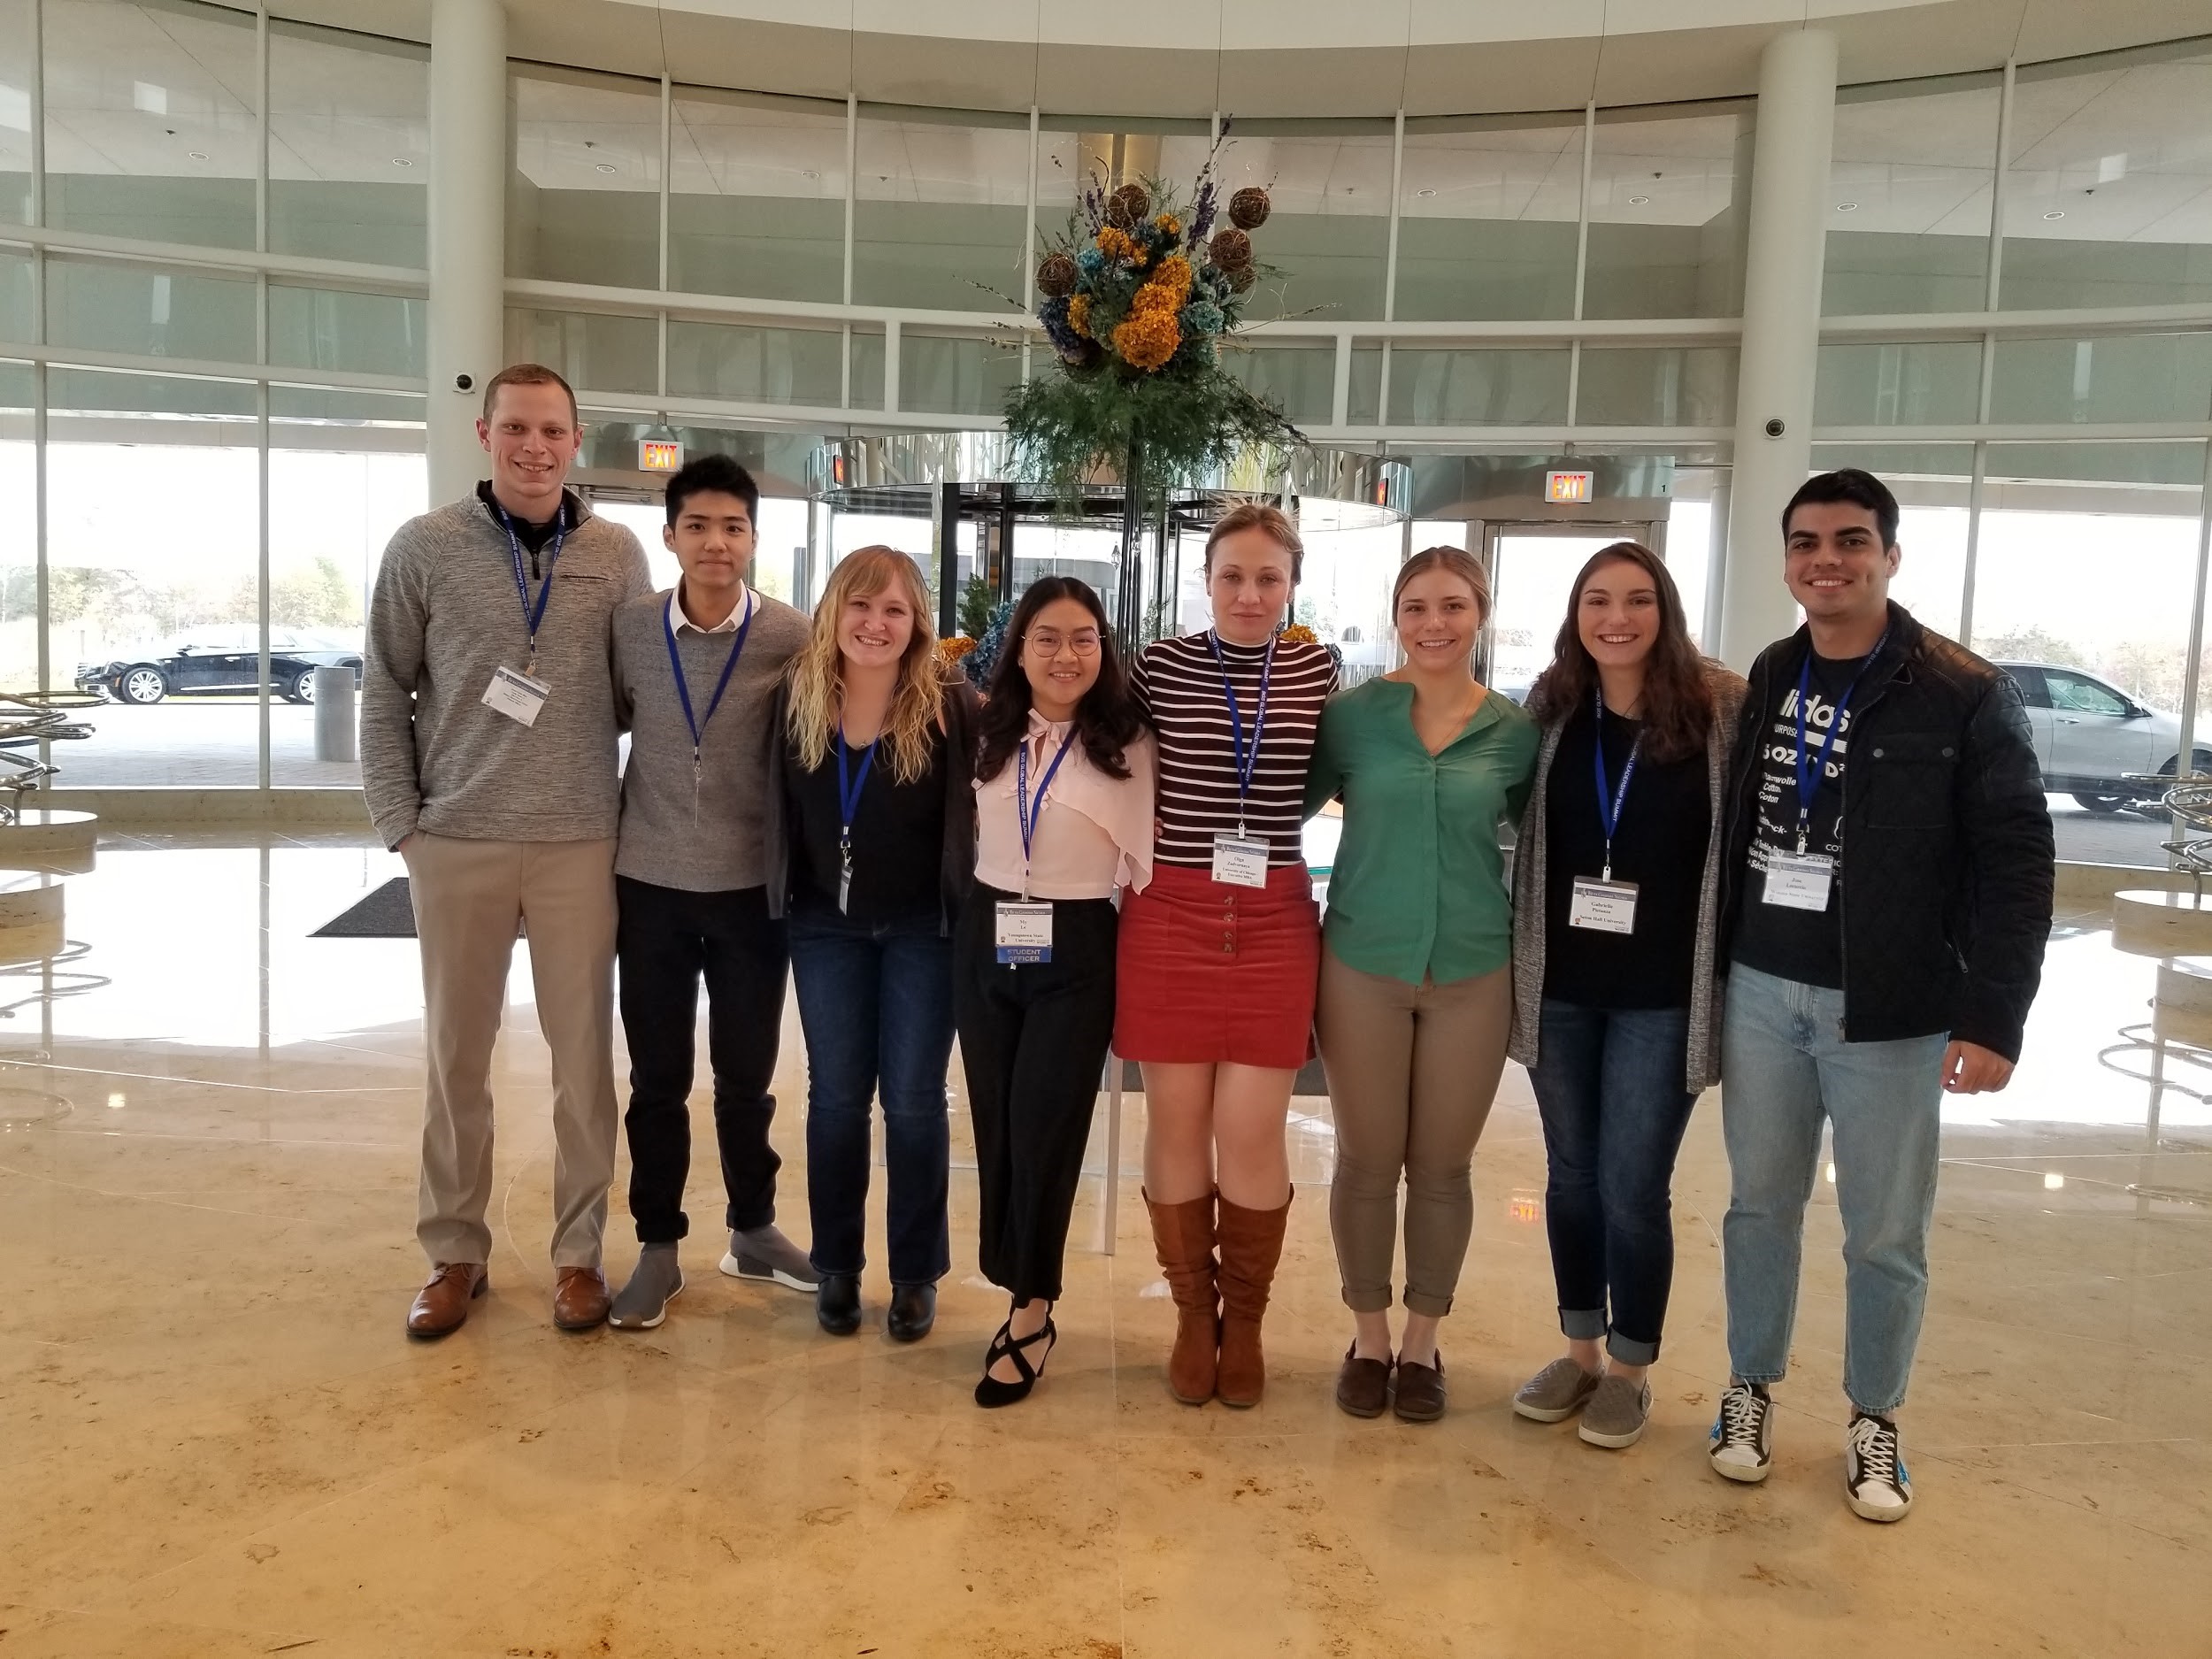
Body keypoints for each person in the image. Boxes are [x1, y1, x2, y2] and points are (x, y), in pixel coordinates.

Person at [1707, 467, 2053, 1522]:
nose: (1827, 560)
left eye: (1850, 541)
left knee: (1884, 1232)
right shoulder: (1774, 671)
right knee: (1757, 1207)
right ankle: (1748, 1387)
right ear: (1787, 561)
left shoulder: (1962, 691)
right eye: (1806, 543)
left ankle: (1874, 1415)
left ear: (1889, 556)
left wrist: (1993, 1015)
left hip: (1890, 1006)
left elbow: (2015, 859)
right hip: (1761, 988)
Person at [364, 362, 651, 1338]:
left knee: (584, 1060)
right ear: (486, 435)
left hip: (580, 840)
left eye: (553, 430)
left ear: (576, 440)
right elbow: (384, 685)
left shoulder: (615, 553)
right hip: (457, 838)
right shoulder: (425, 546)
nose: (536, 447)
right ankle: (455, 1251)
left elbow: (634, 692)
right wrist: (403, 824)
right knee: (456, 1057)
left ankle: (578, 1254)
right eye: (517, 428)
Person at [1505, 542, 1747, 1448]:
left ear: (1665, 610)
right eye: (1597, 600)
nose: (1617, 618)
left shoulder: (1720, 708)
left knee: (1633, 1187)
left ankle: (1632, 1369)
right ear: (1575, 614)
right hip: (1562, 984)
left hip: (1662, 994)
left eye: (1637, 600)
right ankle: (1579, 1352)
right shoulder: (1552, 707)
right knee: (1571, 1176)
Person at [1306, 547, 1537, 1424]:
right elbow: (1275, 808)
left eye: (1452, 606)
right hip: (1361, 962)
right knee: (1367, 1161)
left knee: (1442, 1168)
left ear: (1480, 612)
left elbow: (1548, 843)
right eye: (1415, 607)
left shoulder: (1514, 730)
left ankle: (1422, 1343)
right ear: (1396, 617)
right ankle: (1369, 1337)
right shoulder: (1349, 719)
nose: (1433, 623)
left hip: (1474, 970)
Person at [1119, 502, 1337, 1409]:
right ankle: (1190, 1314)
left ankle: (1242, 1320)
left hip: (1275, 917)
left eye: (1268, 578)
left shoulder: (1317, 669)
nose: (1249, 594)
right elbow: (1106, 762)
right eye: (1232, 577)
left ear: (1291, 587)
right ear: (1205, 582)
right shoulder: (1158, 665)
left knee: (1251, 1129)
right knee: (1175, 1123)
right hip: (1171, 911)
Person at [602, 455, 815, 1331]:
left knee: (746, 1078)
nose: (715, 542)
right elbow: (607, 718)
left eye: (733, 527)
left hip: (750, 890)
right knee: (657, 1078)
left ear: (754, 539)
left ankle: (752, 1229)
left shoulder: (792, 635)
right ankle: (658, 1245)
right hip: (649, 881)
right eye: (697, 525)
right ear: (670, 536)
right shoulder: (629, 627)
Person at [769, 547, 979, 1342]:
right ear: (833, 611)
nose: (876, 623)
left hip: (924, 928)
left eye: (895, 609)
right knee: (835, 1097)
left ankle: (917, 1272)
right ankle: (837, 1265)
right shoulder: (796, 692)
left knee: (916, 1100)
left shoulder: (948, 699)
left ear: (917, 620)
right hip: (826, 925)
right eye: (860, 605)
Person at [958, 577, 1155, 1407]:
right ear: (1019, 648)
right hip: (987, 931)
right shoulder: (985, 727)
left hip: (1076, 944)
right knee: (997, 1121)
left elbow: (1147, 865)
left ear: (1103, 648)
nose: (1065, 654)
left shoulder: (1129, 741)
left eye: (1083, 638)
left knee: (1045, 1128)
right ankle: (1012, 1276)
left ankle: (1033, 1309)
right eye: (1046, 637)